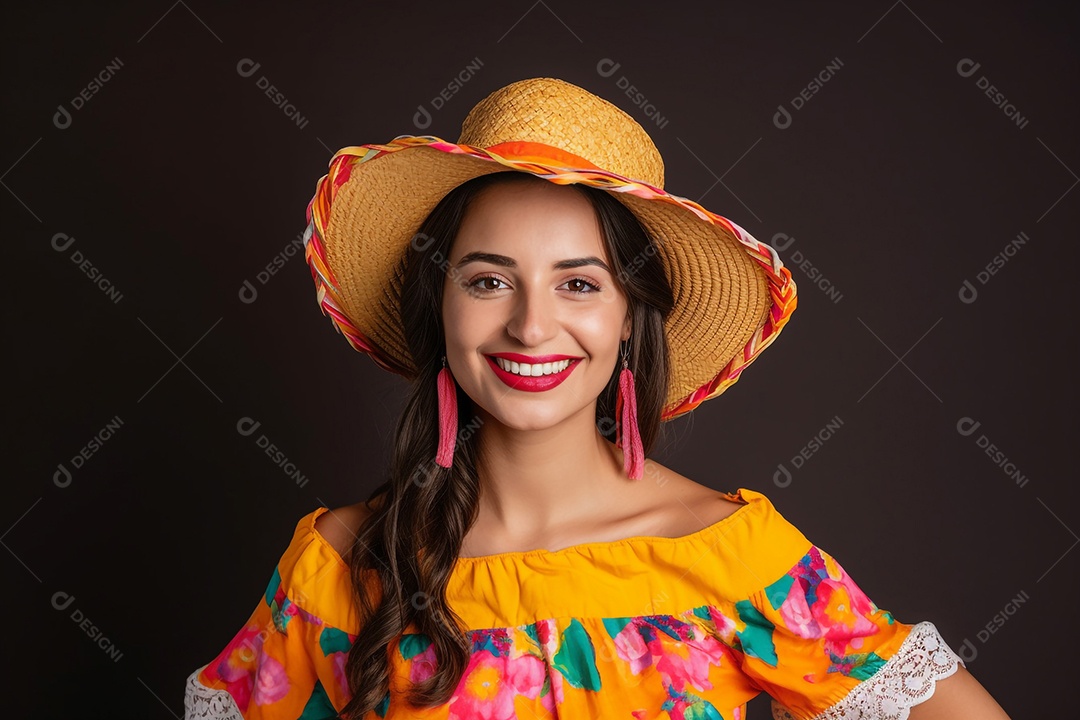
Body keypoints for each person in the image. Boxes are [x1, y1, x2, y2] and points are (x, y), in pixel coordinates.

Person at [184, 77, 1011, 719]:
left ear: (628, 321)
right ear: (440, 308)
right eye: (488, 280)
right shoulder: (337, 568)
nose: (530, 326)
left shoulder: (727, 558)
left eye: (578, 284)